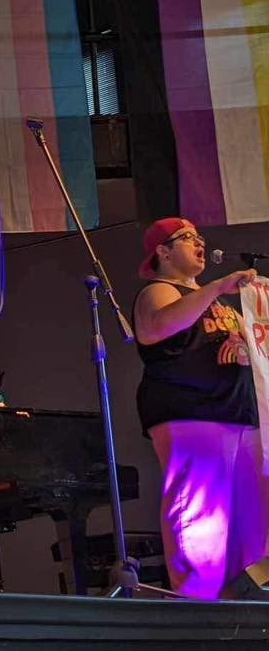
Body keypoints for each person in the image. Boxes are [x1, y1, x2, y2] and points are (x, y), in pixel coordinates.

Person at [132, 216, 267, 599]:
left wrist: (244, 345)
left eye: (199, 236)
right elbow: (156, 326)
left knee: (253, 522)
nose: (199, 243)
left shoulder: (214, 300)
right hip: (193, 415)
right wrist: (215, 288)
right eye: (187, 237)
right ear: (163, 251)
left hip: (240, 416)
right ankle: (197, 607)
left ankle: (251, 603)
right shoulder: (158, 290)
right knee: (199, 518)